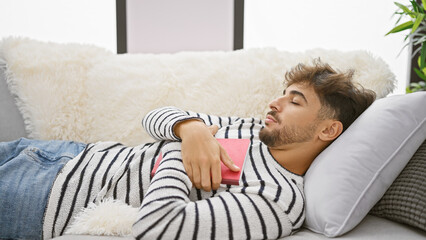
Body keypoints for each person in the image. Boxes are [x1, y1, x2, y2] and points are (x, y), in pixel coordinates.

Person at [0, 60, 376, 240]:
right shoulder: (252, 128)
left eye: (295, 101)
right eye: (282, 93)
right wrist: (192, 129)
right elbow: (154, 117)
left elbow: (159, 227)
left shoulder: (278, 201)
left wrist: (180, 156)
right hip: (61, 153)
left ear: (328, 129)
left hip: (45, 197)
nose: (275, 103)